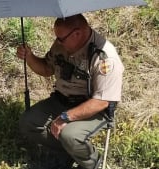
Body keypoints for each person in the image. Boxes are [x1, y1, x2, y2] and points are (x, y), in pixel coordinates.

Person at [16, 14, 124, 169]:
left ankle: (92, 162)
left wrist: (65, 117)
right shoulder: (63, 44)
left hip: (93, 108)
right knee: (29, 122)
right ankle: (69, 151)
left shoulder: (104, 57)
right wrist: (30, 57)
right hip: (61, 100)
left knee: (70, 135)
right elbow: (47, 69)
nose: (58, 42)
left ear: (77, 34)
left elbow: (102, 101)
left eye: (61, 38)